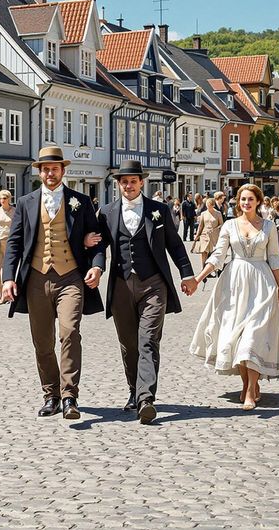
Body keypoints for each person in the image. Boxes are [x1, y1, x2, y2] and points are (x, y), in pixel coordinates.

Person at [1, 146, 105, 420]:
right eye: (45, 169)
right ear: (39, 172)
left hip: (71, 276)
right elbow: (13, 243)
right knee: (43, 342)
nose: (50, 173)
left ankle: (70, 395)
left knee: (70, 332)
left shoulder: (80, 202)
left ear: (62, 171)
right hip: (36, 278)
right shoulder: (25, 202)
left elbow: (96, 239)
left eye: (55, 169)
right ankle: (51, 395)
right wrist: (8, 278)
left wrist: (96, 266)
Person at [96, 161, 199, 424]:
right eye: (123, 182)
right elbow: (99, 247)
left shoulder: (159, 210)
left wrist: (187, 274)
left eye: (133, 181)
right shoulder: (107, 212)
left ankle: (145, 398)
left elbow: (175, 246)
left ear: (142, 182)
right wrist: (96, 267)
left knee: (148, 340)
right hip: (120, 284)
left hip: (153, 284)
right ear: (118, 184)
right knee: (129, 344)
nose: (128, 186)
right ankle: (134, 389)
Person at [189, 183, 279, 410]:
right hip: (233, 284)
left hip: (262, 283)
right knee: (237, 337)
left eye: (250, 199)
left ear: (258, 201)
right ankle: (247, 385)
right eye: (242, 199)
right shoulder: (230, 226)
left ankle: (251, 390)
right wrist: (198, 278)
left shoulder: (269, 226)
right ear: (238, 202)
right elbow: (218, 256)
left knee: (253, 335)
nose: (246, 203)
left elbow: (273, 258)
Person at [193, 196, 223, 271]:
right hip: (204, 235)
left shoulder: (218, 213)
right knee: (204, 252)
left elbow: (222, 224)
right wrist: (197, 235)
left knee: (213, 253)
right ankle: (203, 268)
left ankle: (213, 269)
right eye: (207, 206)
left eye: (209, 206)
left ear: (213, 205)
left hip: (214, 235)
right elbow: (201, 225)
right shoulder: (203, 213)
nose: (208, 207)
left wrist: (215, 229)